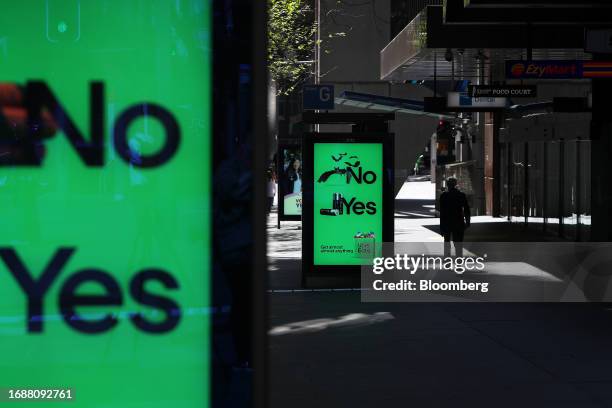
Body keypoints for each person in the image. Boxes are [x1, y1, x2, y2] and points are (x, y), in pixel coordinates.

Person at [439, 177, 470, 257]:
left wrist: (441, 227)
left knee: (447, 243)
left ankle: (447, 262)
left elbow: (442, 213)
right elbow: (466, 209)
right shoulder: (461, 195)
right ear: (455, 184)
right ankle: (459, 262)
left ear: (447, 185)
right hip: (458, 222)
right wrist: (467, 222)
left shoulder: (443, 196)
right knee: (458, 243)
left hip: (447, 222)